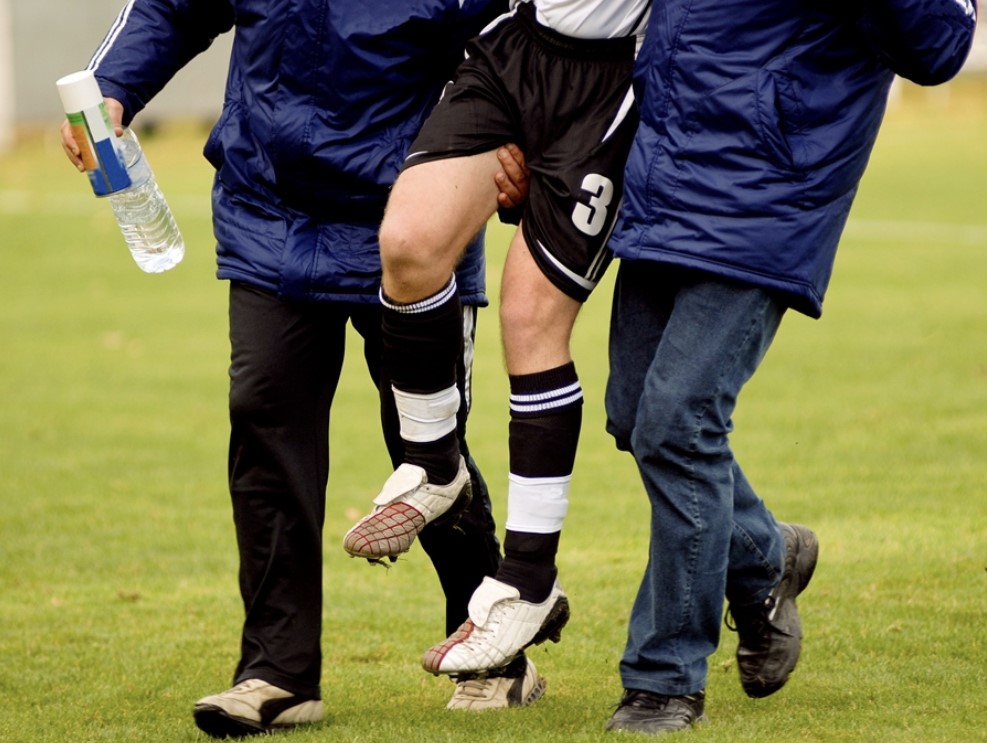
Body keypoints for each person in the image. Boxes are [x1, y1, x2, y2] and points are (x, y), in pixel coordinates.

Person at [60, 0, 538, 738]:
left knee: (427, 450)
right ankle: (278, 672)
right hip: (269, 209)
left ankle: (492, 653)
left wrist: (517, 136)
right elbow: (172, 6)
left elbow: (515, 36)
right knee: (263, 419)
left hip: (412, 215)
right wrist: (112, 85)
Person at [601, 0, 978, 734]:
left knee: (678, 420)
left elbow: (936, 45)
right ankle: (765, 554)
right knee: (634, 413)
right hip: (667, 178)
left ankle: (663, 679)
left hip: (768, 195)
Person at [342, 0, 651, 677]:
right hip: (515, 44)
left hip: (610, 81)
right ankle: (434, 462)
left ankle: (529, 578)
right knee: (408, 246)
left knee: (529, 320)